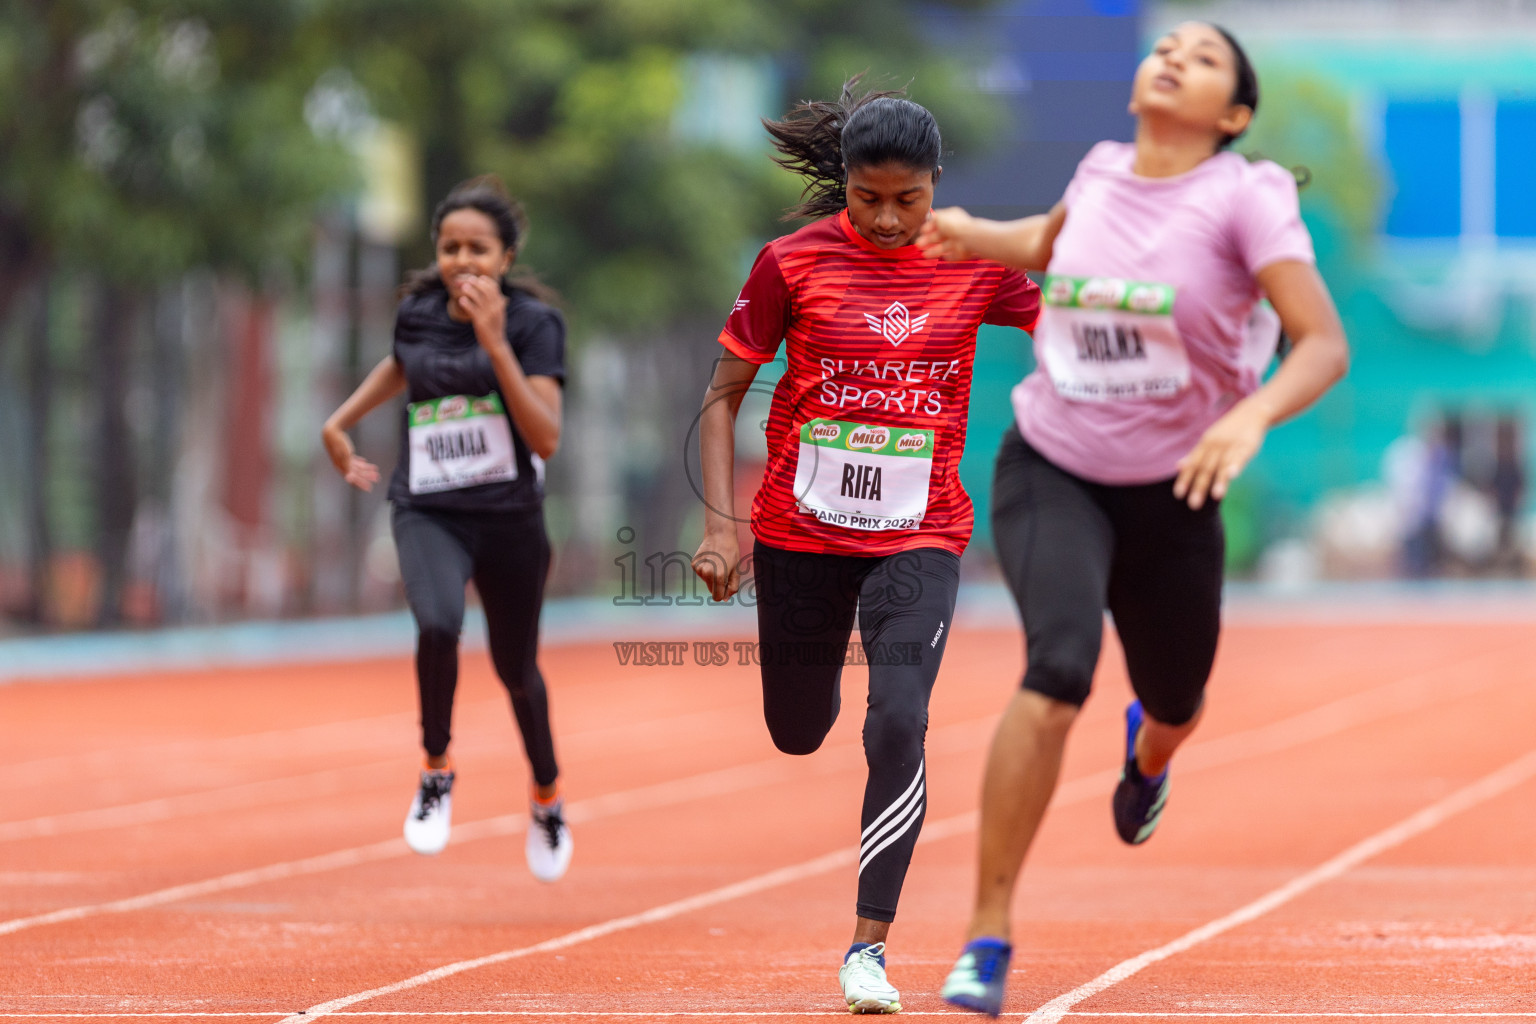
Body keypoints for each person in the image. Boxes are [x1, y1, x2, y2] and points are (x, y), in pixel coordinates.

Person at [918, 23, 1350, 1015]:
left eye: (1201, 59)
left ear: (1232, 116)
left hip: (1177, 491)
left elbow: (1323, 344)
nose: (1172, 57)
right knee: (1056, 664)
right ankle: (987, 933)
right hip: (1053, 464)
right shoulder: (1103, 167)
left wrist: (1248, 417)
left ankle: (1147, 759)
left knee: (1177, 702)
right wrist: (971, 232)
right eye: (1166, 48)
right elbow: (1050, 241)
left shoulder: (1248, 197)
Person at [690, 78, 1042, 1014]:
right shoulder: (789, 263)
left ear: (937, 186)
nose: (888, 219)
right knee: (799, 730)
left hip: (920, 534)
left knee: (898, 723)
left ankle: (867, 950)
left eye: (909, 200)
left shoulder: (973, 264)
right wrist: (723, 526)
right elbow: (723, 394)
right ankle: (817, 679)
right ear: (843, 183)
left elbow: (1073, 320)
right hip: (798, 536)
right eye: (867, 198)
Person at [320, 177, 574, 883]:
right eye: (450, 246)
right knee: (437, 624)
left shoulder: (533, 326)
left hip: (510, 520)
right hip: (429, 507)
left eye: (478, 249)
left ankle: (547, 795)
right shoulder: (417, 314)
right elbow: (399, 367)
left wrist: (495, 343)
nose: (462, 260)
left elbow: (546, 436)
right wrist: (338, 423)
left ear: (507, 255)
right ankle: (436, 768)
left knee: (516, 670)